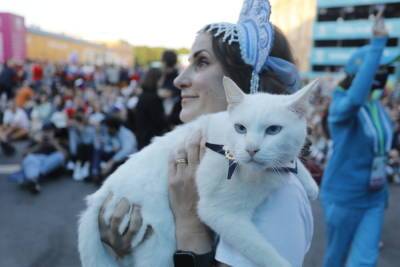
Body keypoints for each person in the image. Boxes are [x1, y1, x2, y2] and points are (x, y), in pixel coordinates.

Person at [96, 0, 313, 266]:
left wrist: (190, 225)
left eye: (201, 62)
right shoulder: (202, 157)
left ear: (242, 82)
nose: (179, 80)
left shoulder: (278, 195)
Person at [320, 11, 393, 267]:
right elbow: (355, 97)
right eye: (379, 69)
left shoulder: (378, 107)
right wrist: (377, 44)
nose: (385, 74)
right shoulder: (342, 107)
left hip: (374, 197)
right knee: (335, 259)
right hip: (343, 197)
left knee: (365, 261)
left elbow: (383, 146)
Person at [7, 122, 68, 194]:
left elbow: (65, 155)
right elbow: (24, 154)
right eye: (45, 131)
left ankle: (32, 178)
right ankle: (34, 182)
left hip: (49, 161)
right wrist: (39, 145)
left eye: (49, 131)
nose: (47, 133)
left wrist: (54, 143)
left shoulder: (58, 140)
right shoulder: (38, 140)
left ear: (54, 131)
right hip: (36, 160)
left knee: (59, 156)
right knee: (30, 158)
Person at [135, 67, 169, 149]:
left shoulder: (143, 95)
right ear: (156, 79)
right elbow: (159, 122)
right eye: (161, 79)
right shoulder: (154, 98)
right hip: (151, 140)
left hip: (142, 138)